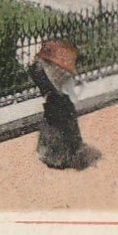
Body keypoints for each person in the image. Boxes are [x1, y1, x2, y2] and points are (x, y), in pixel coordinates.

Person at [29, 39, 85, 169]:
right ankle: (64, 154)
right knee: (61, 123)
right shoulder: (58, 71)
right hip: (59, 102)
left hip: (53, 101)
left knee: (53, 123)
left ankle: (53, 153)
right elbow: (69, 94)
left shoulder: (41, 66)